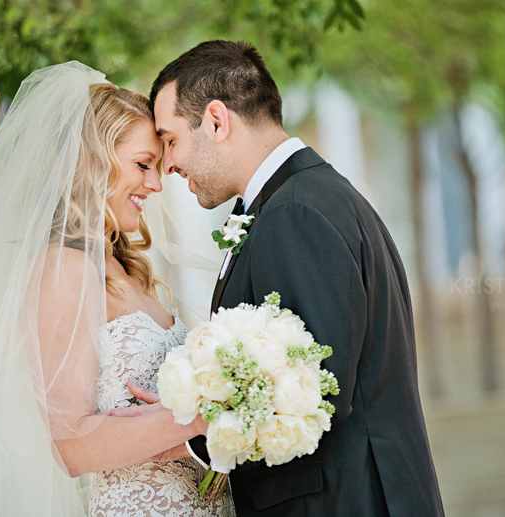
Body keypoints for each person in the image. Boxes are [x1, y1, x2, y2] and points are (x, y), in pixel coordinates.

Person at [0, 62, 234, 517]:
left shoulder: (124, 269)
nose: (155, 184)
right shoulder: (63, 269)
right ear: (91, 163)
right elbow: (68, 444)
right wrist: (198, 417)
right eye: (142, 165)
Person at [145, 40, 445, 516]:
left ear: (217, 121)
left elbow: (314, 392)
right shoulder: (308, 197)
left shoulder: (295, 214)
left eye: (170, 139)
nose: (169, 164)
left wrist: (189, 439)